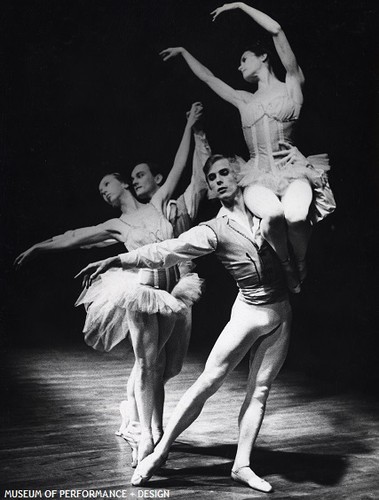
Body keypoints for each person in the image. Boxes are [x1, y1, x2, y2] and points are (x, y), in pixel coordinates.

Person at [77, 154, 292, 493]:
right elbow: (166, 250)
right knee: (208, 380)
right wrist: (118, 258)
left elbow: (297, 217)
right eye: (212, 177)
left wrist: (296, 266)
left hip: (280, 312)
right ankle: (159, 452)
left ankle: (242, 464)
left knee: (260, 391)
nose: (219, 180)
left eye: (225, 173)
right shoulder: (214, 229)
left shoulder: (263, 209)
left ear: (239, 175)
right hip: (249, 310)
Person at [14, 103, 205, 465]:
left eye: (107, 183)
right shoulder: (115, 225)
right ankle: (146, 435)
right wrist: (38, 247)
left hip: (173, 291)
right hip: (141, 292)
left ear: (121, 182)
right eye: (101, 190)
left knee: (165, 366)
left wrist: (189, 125)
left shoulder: (160, 202)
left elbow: (180, 165)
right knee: (147, 364)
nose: (104, 191)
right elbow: (73, 235)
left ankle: (140, 420)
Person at [159, 2, 336, 293]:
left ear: (263, 56)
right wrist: (183, 52)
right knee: (274, 216)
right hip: (256, 173)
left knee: (295, 216)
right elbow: (208, 77)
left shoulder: (292, 85)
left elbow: (277, 30)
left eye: (244, 59)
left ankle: (300, 262)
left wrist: (239, 5)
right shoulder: (244, 100)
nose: (239, 65)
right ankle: (286, 264)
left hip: (291, 170)